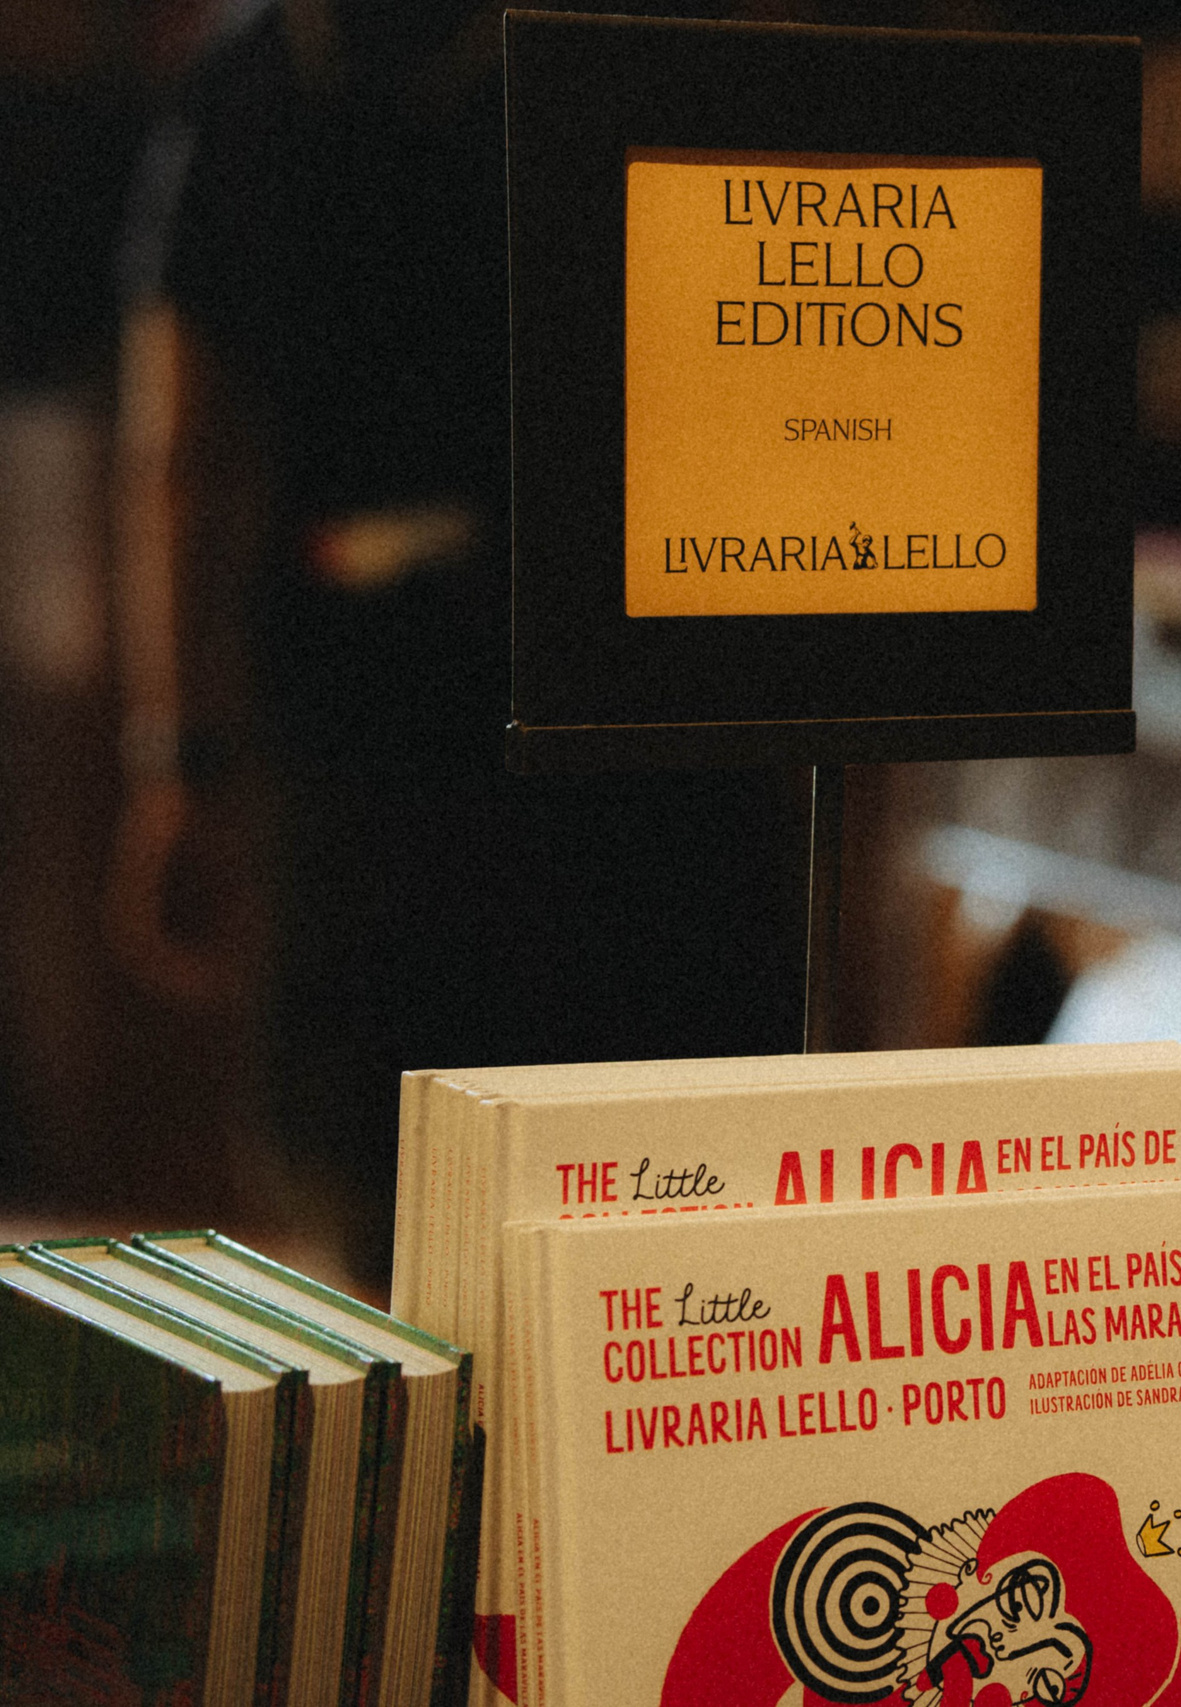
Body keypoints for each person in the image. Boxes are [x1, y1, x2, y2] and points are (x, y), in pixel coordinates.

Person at [110, 0, 807, 1289]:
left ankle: (428, 1467)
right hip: (643, 709)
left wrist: (178, 762)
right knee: (667, 1199)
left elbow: (180, 451)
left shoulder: (250, 81)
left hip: (372, 708)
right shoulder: (644, 53)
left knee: (394, 1196)